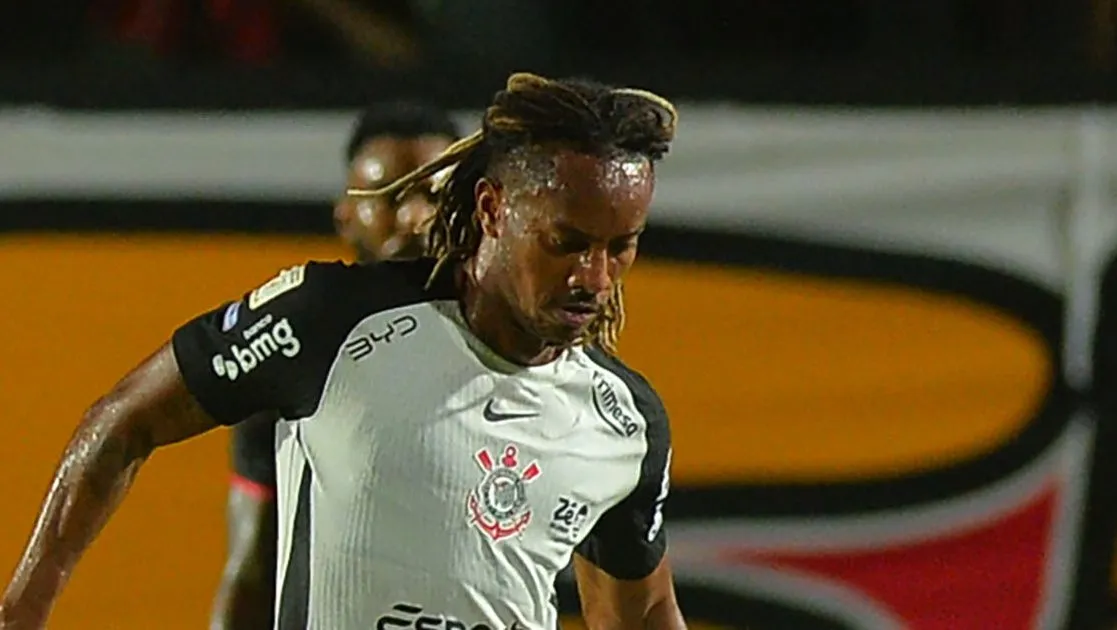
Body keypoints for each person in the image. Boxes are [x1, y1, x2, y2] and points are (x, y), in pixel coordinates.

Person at [0, 72, 684, 630]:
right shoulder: (331, 323)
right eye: (565, 243)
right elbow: (126, 419)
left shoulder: (623, 419)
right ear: (492, 211)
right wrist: (24, 608)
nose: (593, 277)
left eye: (618, 248)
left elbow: (642, 611)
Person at [212, 101, 460, 630]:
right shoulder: (288, 364)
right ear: (345, 214)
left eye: (435, 195)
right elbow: (250, 569)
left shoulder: (538, 357)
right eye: (391, 197)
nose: (417, 217)